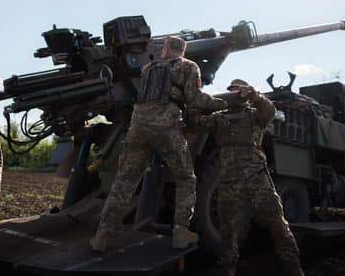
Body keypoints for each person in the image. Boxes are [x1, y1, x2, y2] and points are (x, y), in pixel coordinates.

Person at [90, 36, 228, 252]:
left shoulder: (148, 68)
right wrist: (224, 103)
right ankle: (181, 232)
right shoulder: (188, 66)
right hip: (166, 127)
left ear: (165, 49)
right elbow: (195, 99)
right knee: (186, 178)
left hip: (138, 127)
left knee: (125, 180)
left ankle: (102, 234)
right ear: (182, 50)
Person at [196, 79, 303, 276]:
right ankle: (227, 268)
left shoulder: (255, 115)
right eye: (231, 91)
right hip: (229, 179)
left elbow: (269, 109)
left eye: (238, 90)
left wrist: (253, 93)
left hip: (256, 176)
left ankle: (292, 266)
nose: (234, 94)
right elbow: (197, 122)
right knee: (228, 227)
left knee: (276, 220)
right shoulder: (219, 118)